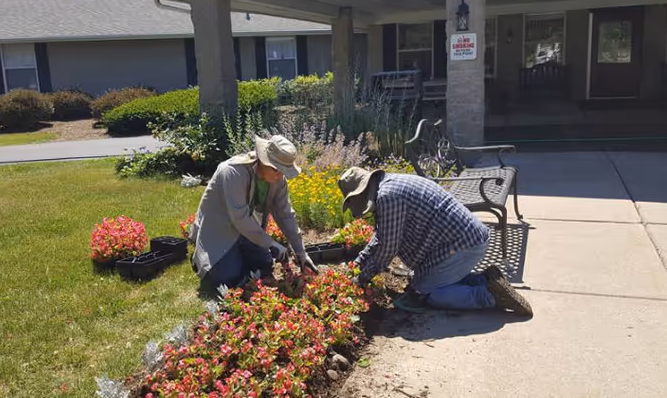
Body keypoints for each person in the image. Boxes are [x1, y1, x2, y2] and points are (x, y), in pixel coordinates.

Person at [338, 167, 533, 316]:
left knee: (428, 293)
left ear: (362, 190)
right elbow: (381, 237)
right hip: (460, 242)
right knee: (423, 280)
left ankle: (490, 296)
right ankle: (485, 280)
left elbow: (388, 248)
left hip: (463, 245)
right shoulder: (391, 184)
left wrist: (361, 279)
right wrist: (358, 264)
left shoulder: (388, 197)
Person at [186, 135, 317, 291]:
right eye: (276, 169)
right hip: (218, 228)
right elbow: (240, 219)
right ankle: (201, 258)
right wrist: (271, 244)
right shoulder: (233, 172)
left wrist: (301, 254)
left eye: (284, 171)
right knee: (225, 278)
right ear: (263, 160)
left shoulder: (278, 180)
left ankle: (236, 256)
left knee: (265, 264)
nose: (280, 176)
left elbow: (285, 214)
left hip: (244, 231)